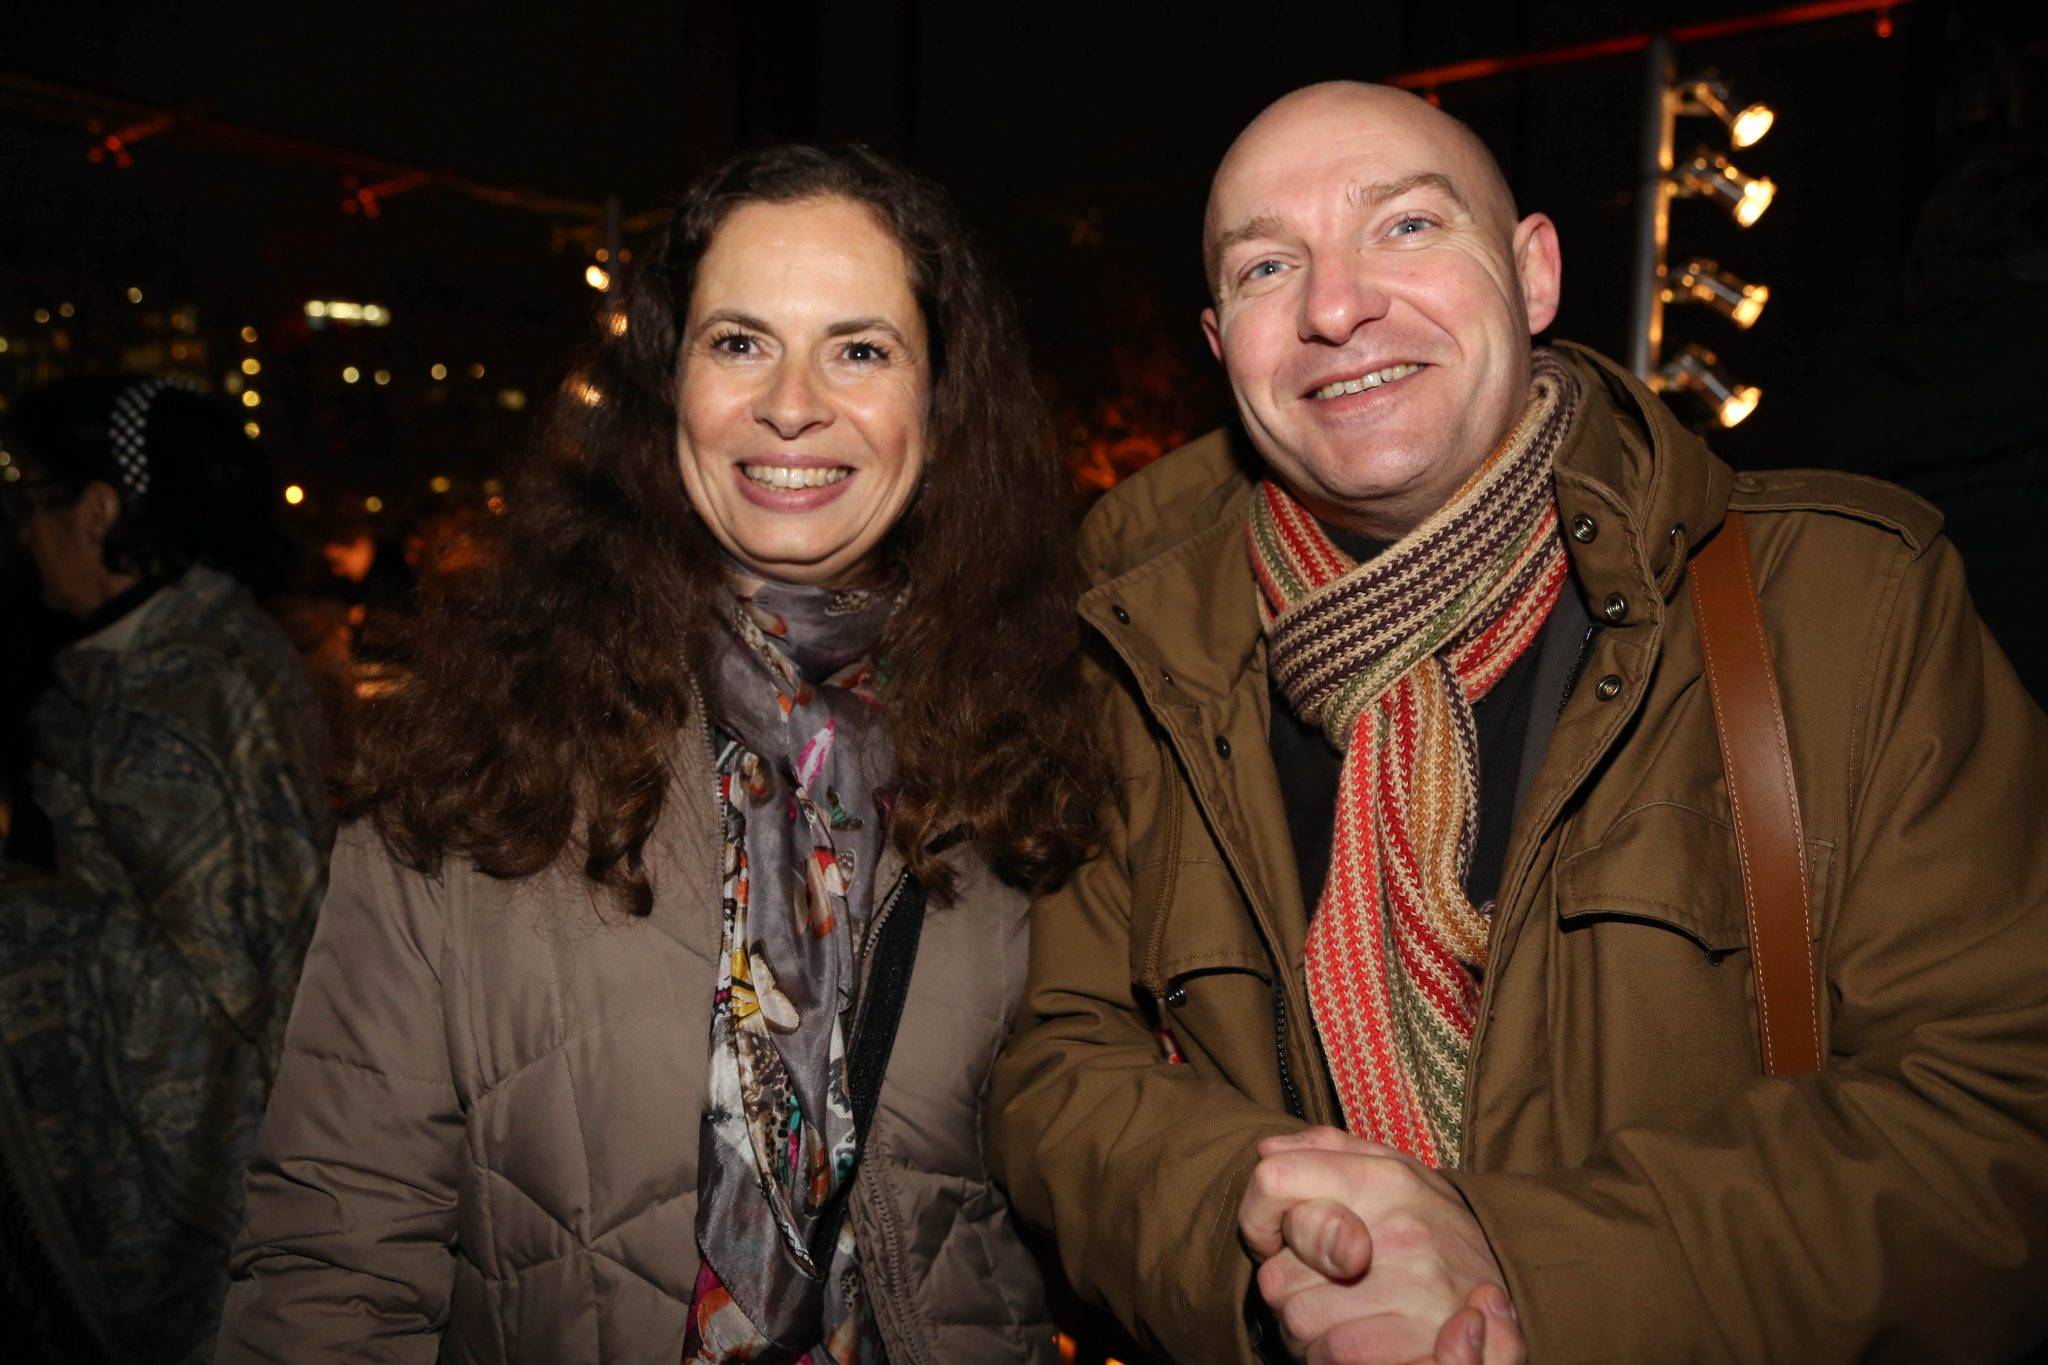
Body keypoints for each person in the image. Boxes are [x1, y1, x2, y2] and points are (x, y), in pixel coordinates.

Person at [988, 81, 2048, 1364]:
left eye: (1406, 227)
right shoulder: (1129, 663)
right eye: (1270, 266)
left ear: (1532, 273)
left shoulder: (1843, 606)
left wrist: (1524, 1270)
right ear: (1222, 347)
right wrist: (1278, 1240)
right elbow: (1061, 1066)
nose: (1335, 307)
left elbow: (2001, 1113)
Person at [216, 143, 1100, 1362]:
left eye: (859, 348)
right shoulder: (483, 751)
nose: (791, 402)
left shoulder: (1049, 747)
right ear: (661, 388)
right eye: (739, 342)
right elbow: (333, 1257)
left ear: (942, 409)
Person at [0, 377, 333, 1361]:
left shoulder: (165, 700)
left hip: (217, 1187)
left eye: (35, 501)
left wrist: (23, 921)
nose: (23, 533)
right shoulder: (204, 651)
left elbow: (228, 989)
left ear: (100, 511)